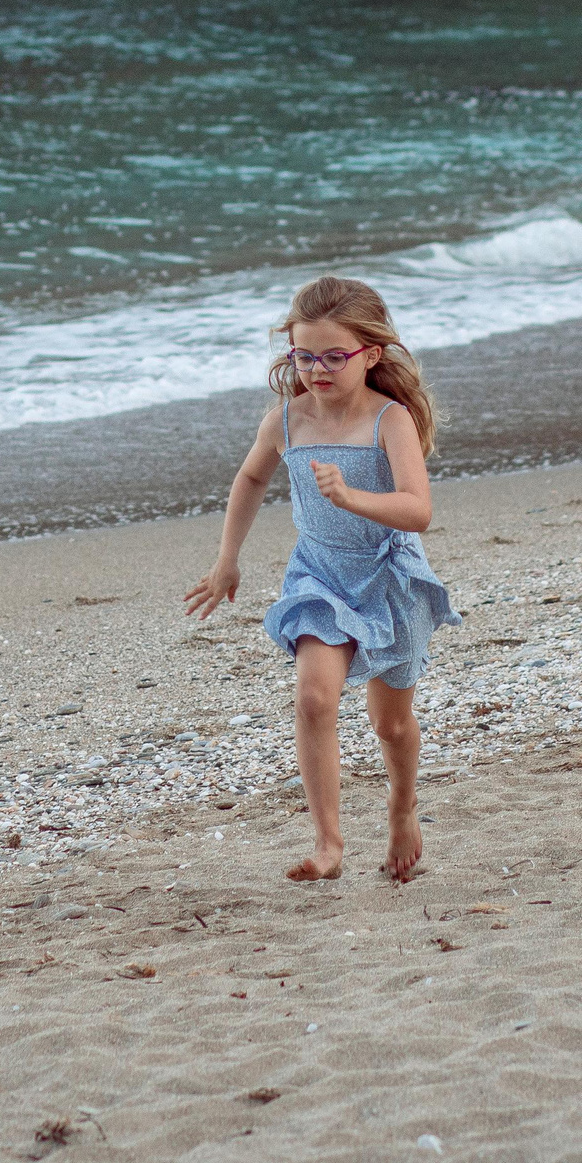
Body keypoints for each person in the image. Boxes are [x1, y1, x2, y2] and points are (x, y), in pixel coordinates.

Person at [185, 275, 460, 880]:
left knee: (389, 722)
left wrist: (354, 497)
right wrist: (227, 558)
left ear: (372, 354)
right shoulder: (287, 421)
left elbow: (419, 510)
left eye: (336, 356)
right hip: (320, 575)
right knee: (313, 699)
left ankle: (402, 806)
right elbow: (251, 479)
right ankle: (329, 844)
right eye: (304, 355)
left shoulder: (391, 420)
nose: (318, 369)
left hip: (390, 576)